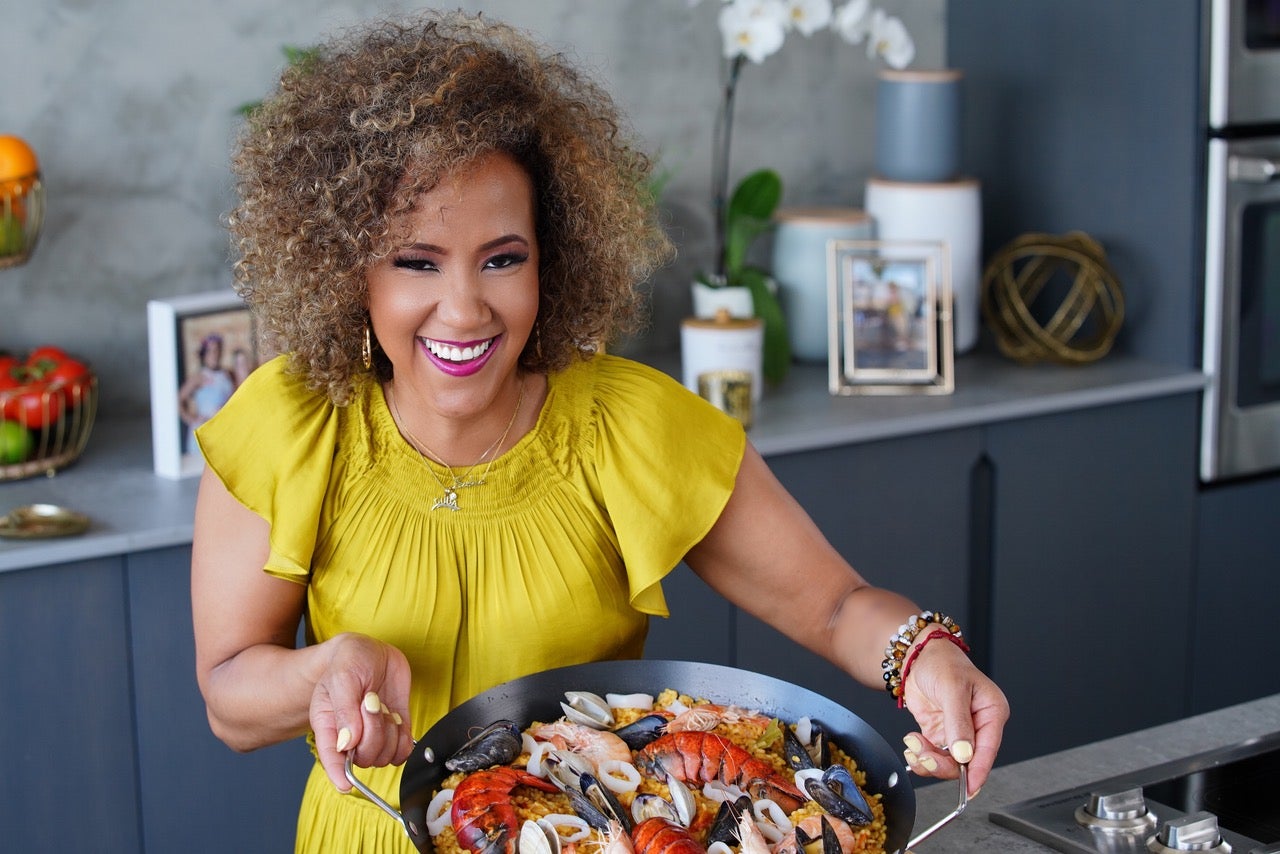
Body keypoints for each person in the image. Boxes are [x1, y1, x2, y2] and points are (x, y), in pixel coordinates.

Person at [191, 10, 1009, 852]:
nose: (464, 310)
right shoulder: (290, 425)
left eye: (502, 258)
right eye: (416, 261)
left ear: (552, 259)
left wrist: (926, 657)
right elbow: (228, 697)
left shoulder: (632, 427)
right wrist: (324, 672)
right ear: (348, 268)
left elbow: (836, 607)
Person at [178, 333, 235, 454]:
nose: (214, 354)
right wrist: (191, 418)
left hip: (223, 429)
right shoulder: (199, 377)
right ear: (204, 354)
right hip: (205, 430)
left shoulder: (227, 374)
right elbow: (179, 399)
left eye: (217, 350)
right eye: (210, 351)